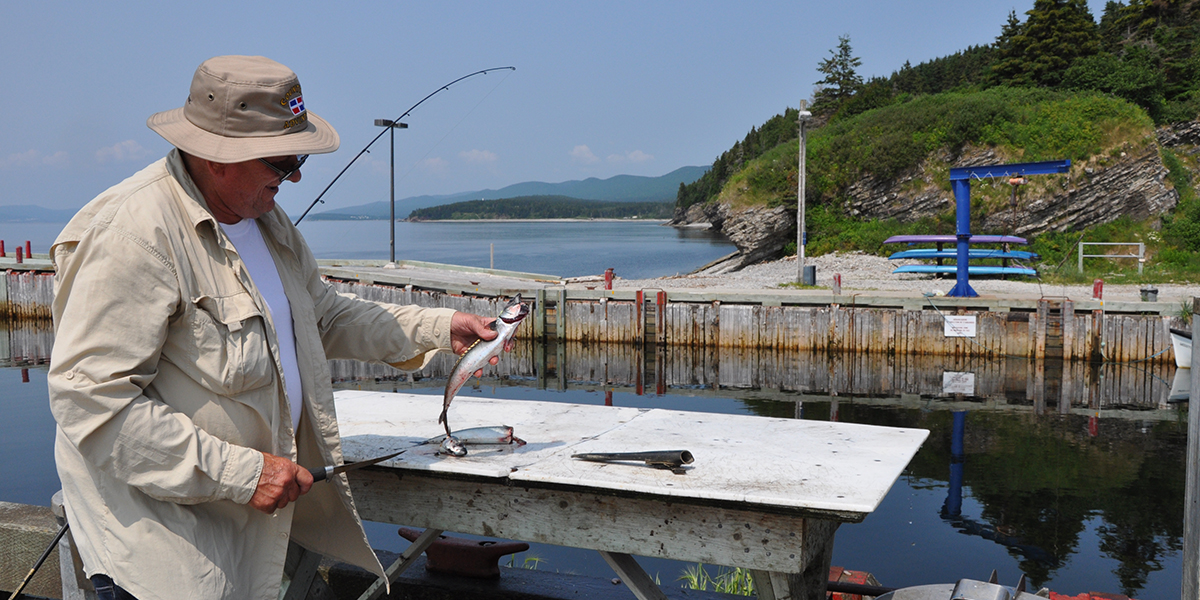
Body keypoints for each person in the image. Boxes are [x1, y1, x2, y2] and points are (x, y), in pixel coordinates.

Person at [47, 55, 505, 600]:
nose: (296, 175)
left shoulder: (264, 217)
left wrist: (440, 327)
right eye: (282, 162)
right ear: (219, 159)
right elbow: (90, 404)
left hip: (253, 533)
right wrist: (244, 474)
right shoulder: (132, 235)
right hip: (168, 553)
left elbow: (323, 316)